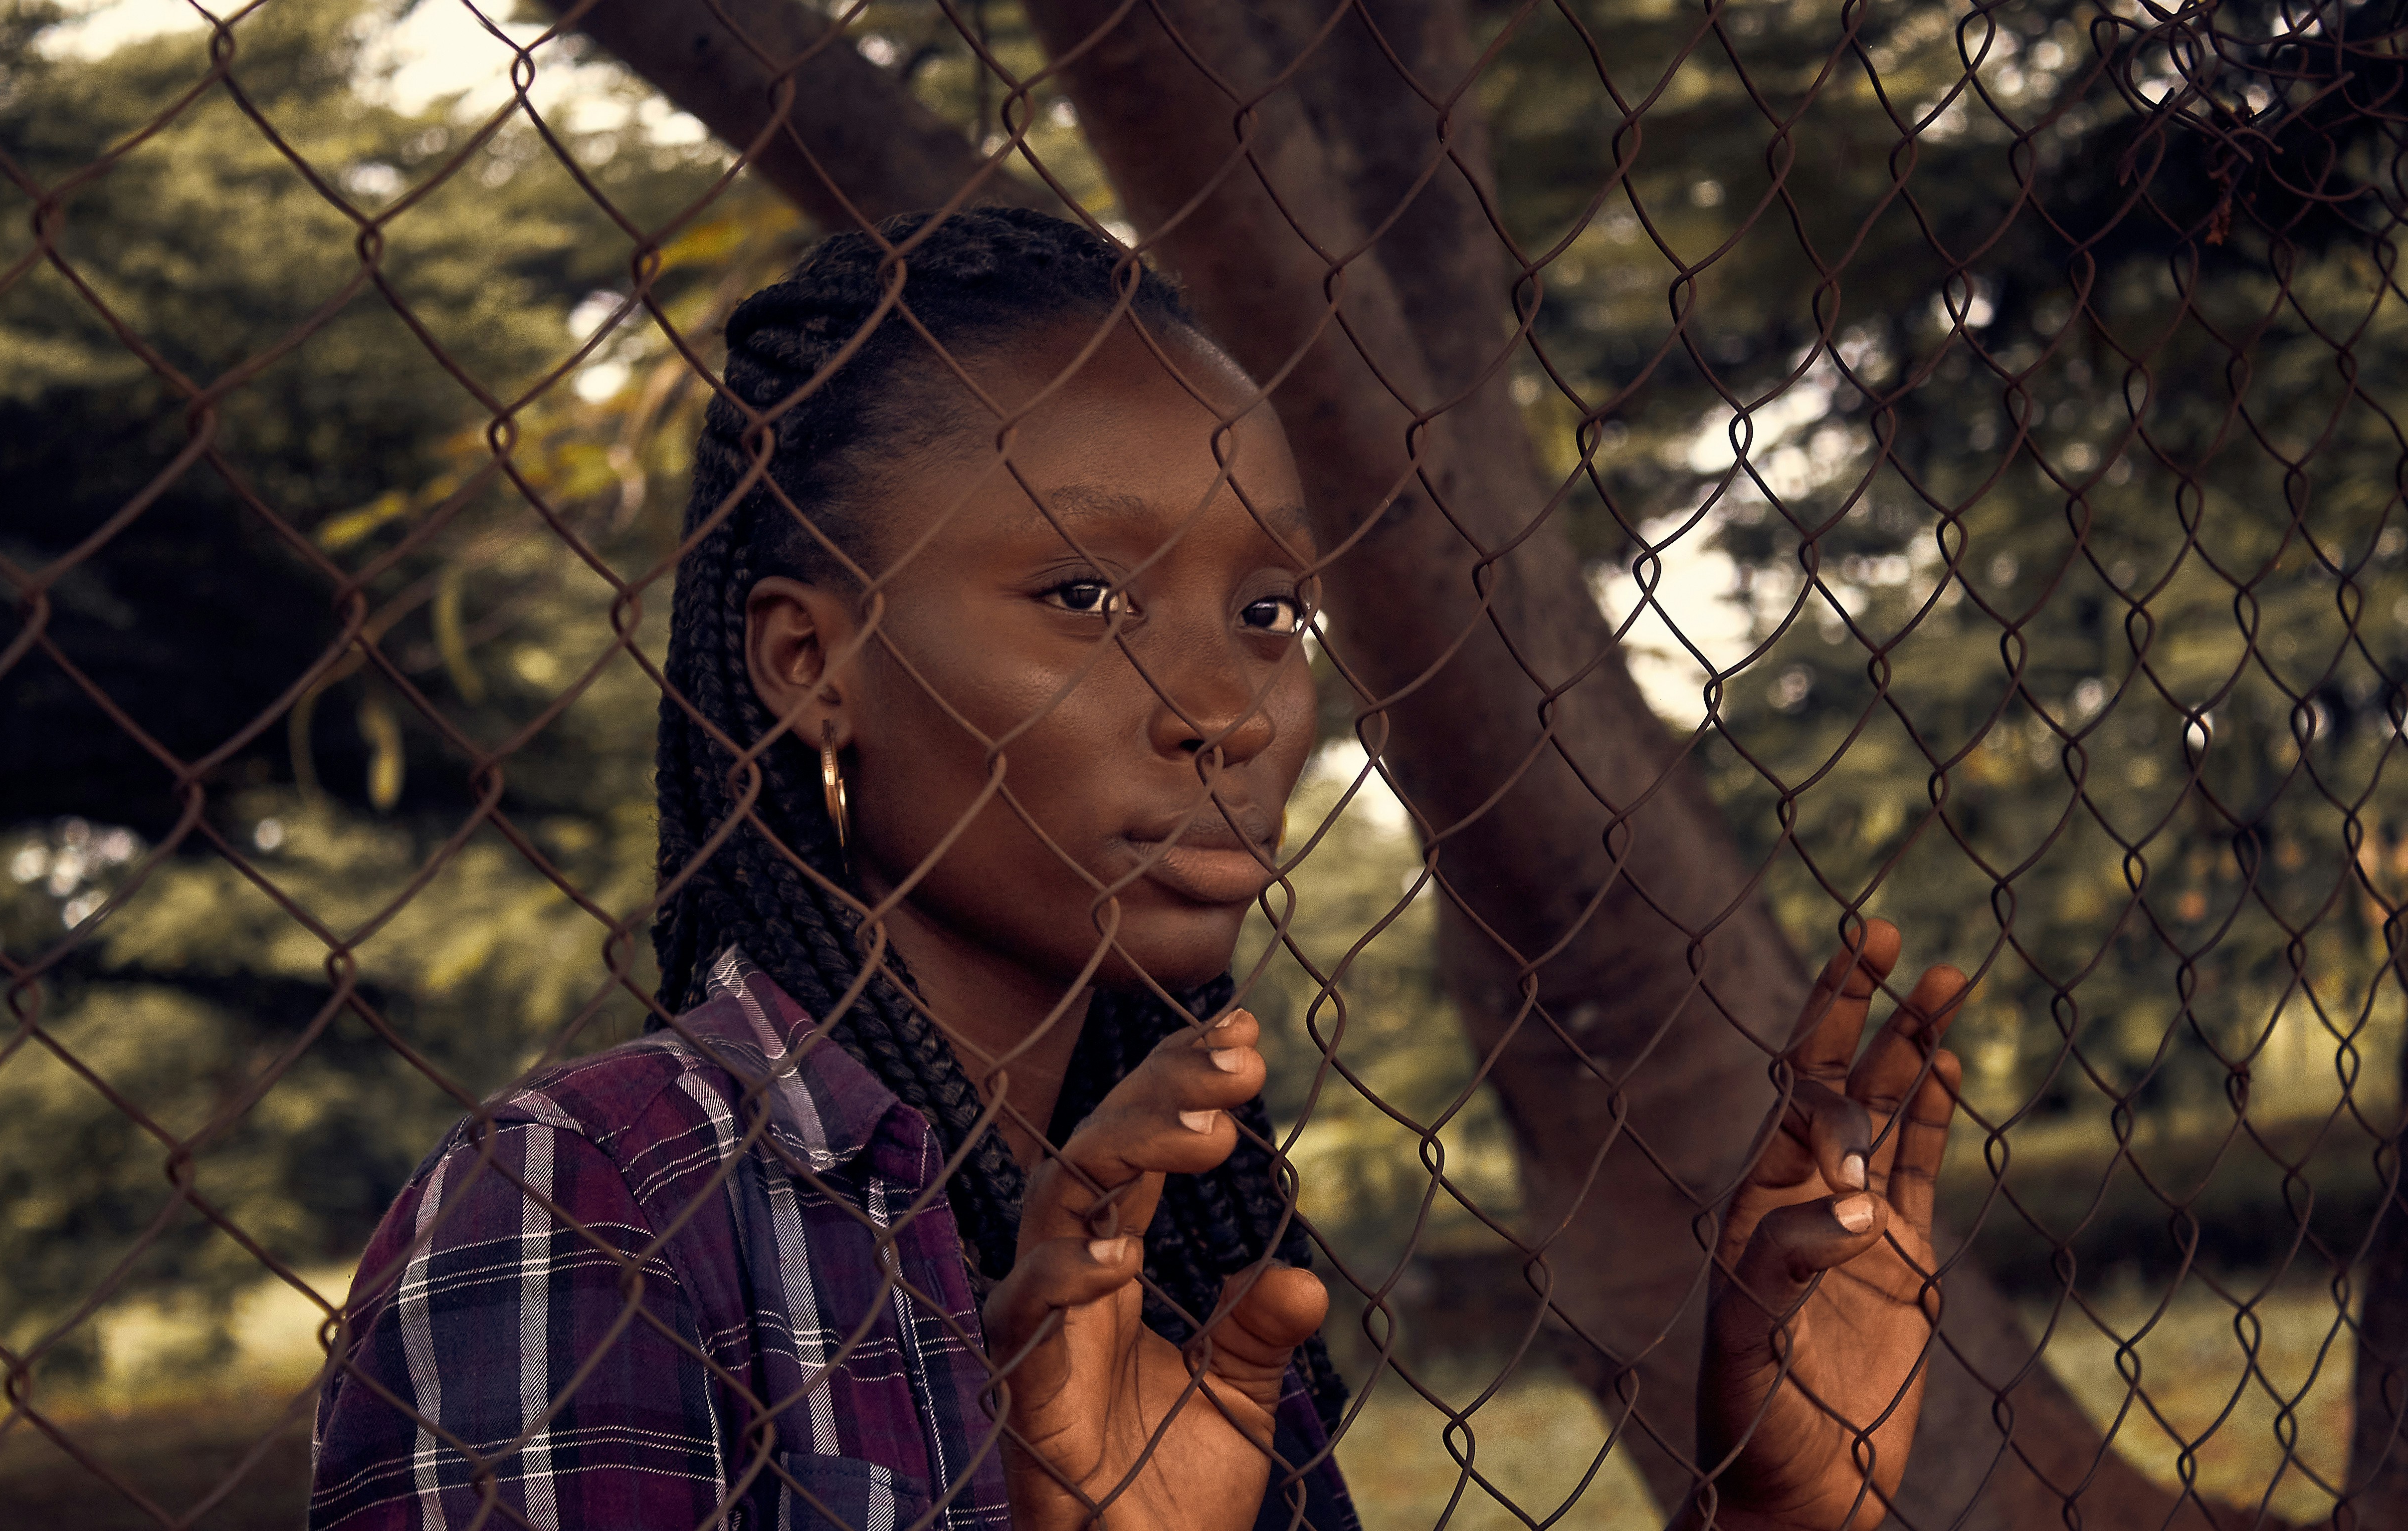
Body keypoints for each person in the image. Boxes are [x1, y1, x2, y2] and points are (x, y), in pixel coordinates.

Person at [307, 207, 1968, 1531]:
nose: (1224, 713)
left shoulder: (1194, 1229)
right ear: (812, 659)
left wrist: (1771, 1514)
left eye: (1267, 614)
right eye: (1085, 599)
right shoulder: (598, 1210)